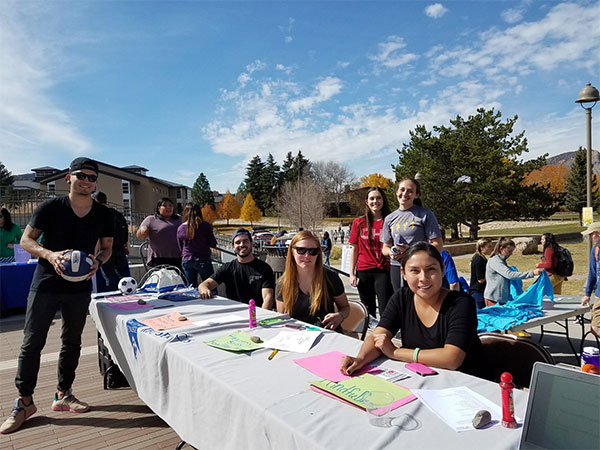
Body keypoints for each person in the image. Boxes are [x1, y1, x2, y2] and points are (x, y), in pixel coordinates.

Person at [1, 157, 114, 435]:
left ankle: (63, 394)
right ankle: (24, 402)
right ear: (69, 178)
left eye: (91, 177)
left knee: (72, 341)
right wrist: (50, 255)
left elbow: (107, 248)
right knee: (31, 343)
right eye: (81, 175)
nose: (87, 181)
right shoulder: (50, 207)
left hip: (79, 285)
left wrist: (98, 262)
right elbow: (26, 240)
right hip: (46, 282)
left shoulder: (103, 214)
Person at [340, 242, 482, 377]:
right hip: (422, 380)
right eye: (414, 271)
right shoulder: (402, 297)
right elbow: (378, 337)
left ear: (443, 270)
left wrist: (396, 353)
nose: (423, 278)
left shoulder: (462, 303)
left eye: (431, 269)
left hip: (466, 384)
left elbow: (452, 359)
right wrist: (360, 359)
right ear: (403, 274)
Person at [276, 231, 350, 331]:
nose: (307, 255)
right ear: (292, 252)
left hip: (327, 335)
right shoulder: (283, 283)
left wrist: (340, 316)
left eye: (312, 251)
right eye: (301, 250)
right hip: (297, 337)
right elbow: (282, 319)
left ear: (318, 253)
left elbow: (345, 307)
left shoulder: (330, 277)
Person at [381, 178, 443, 292]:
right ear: (396, 192)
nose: (405, 193)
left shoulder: (425, 215)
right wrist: (391, 252)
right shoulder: (389, 218)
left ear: (416, 195)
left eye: (410, 191)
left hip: (419, 268)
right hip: (397, 267)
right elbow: (385, 247)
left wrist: (413, 251)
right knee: (403, 302)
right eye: (402, 189)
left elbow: (438, 245)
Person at [198, 228, 275, 309]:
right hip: (234, 313)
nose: (241, 245)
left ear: (251, 244)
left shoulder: (264, 268)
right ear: (233, 247)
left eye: (245, 241)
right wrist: (204, 289)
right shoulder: (227, 268)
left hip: (255, 315)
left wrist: (260, 318)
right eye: (238, 242)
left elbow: (268, 298)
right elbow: (204, 285)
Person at [349, 186, 393, 318]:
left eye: (378, 198)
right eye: (372, 198)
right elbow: (354, 249)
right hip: (364, 271)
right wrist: (351, 273)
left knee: (386, 309)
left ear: (383, 200)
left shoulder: (390, 221)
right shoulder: (359, 222)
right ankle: (370, 336)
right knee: (368, 312)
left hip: (383, 271)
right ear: (367, 202)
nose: (375, 201)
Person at [483, 237, 542, 306]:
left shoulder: (501, 260)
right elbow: (509, 275)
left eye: (511, 251)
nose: (510, 254)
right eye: (509, 251)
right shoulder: (495, 261)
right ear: (501, 248)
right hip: (493, 298)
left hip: (501, 298)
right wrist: (532, 273)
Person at [93, 192, 131, 292]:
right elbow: (125, 230)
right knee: (124, 275)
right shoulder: (117, 213)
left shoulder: (97, 214)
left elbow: (97, 235)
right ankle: (128, 295)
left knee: (109, 276)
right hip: (120, 248)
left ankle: (112, 298)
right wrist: (126, 246)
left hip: (105, 250)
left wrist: (95, 253)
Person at [176, 203, 217, 287]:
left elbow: (180, 247)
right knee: (210, 286)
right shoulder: (205, 226)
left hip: (187, 259)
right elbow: (213, 243)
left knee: (191, 288)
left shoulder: (180, 228)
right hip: (203, 259)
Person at [136, 197, 182, 271]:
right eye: (165, 205)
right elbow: (140, 236)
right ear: (159, 208)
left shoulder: (179, 219)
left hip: (178, 258)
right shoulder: (151, 219)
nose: (168, 208)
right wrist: (143, 230)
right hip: (158, 259)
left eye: (170, 205)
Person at [581, 223, 600, 338]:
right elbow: (592, 273)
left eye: (593, 234)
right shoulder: (595, 250)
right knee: (595, 328)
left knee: (595, 328)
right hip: (598, 294)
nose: (592, 237)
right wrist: (587, 294)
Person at [469, 237, 494, 309]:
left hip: (480, 291)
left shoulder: (481, 258)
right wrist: (491, 274)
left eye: (492, 246)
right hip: (477, 291)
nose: (491, 248)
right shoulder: (479, 260)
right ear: (482, 248)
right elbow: (480, 279)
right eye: (489, 247)